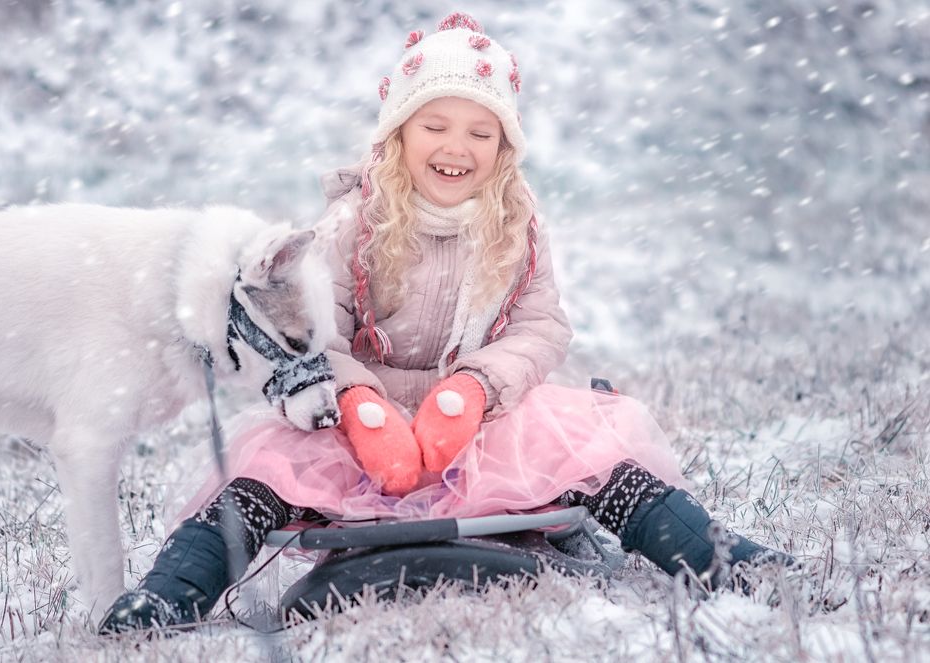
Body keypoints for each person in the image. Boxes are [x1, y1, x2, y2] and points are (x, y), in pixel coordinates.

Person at [99, 12, 792, 633]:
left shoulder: (518, 227)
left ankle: (730, 563)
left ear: (503, 146)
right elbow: (315, 336)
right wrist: (359, 401)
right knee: (262, 472)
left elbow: (541, 327)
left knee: (594, 456)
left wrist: (475, 387)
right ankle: (169, 595)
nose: (456, 146)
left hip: (482, 422)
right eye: (434, 126)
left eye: (479, 132)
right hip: (360, 427)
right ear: (399, 133)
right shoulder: (352, 222)